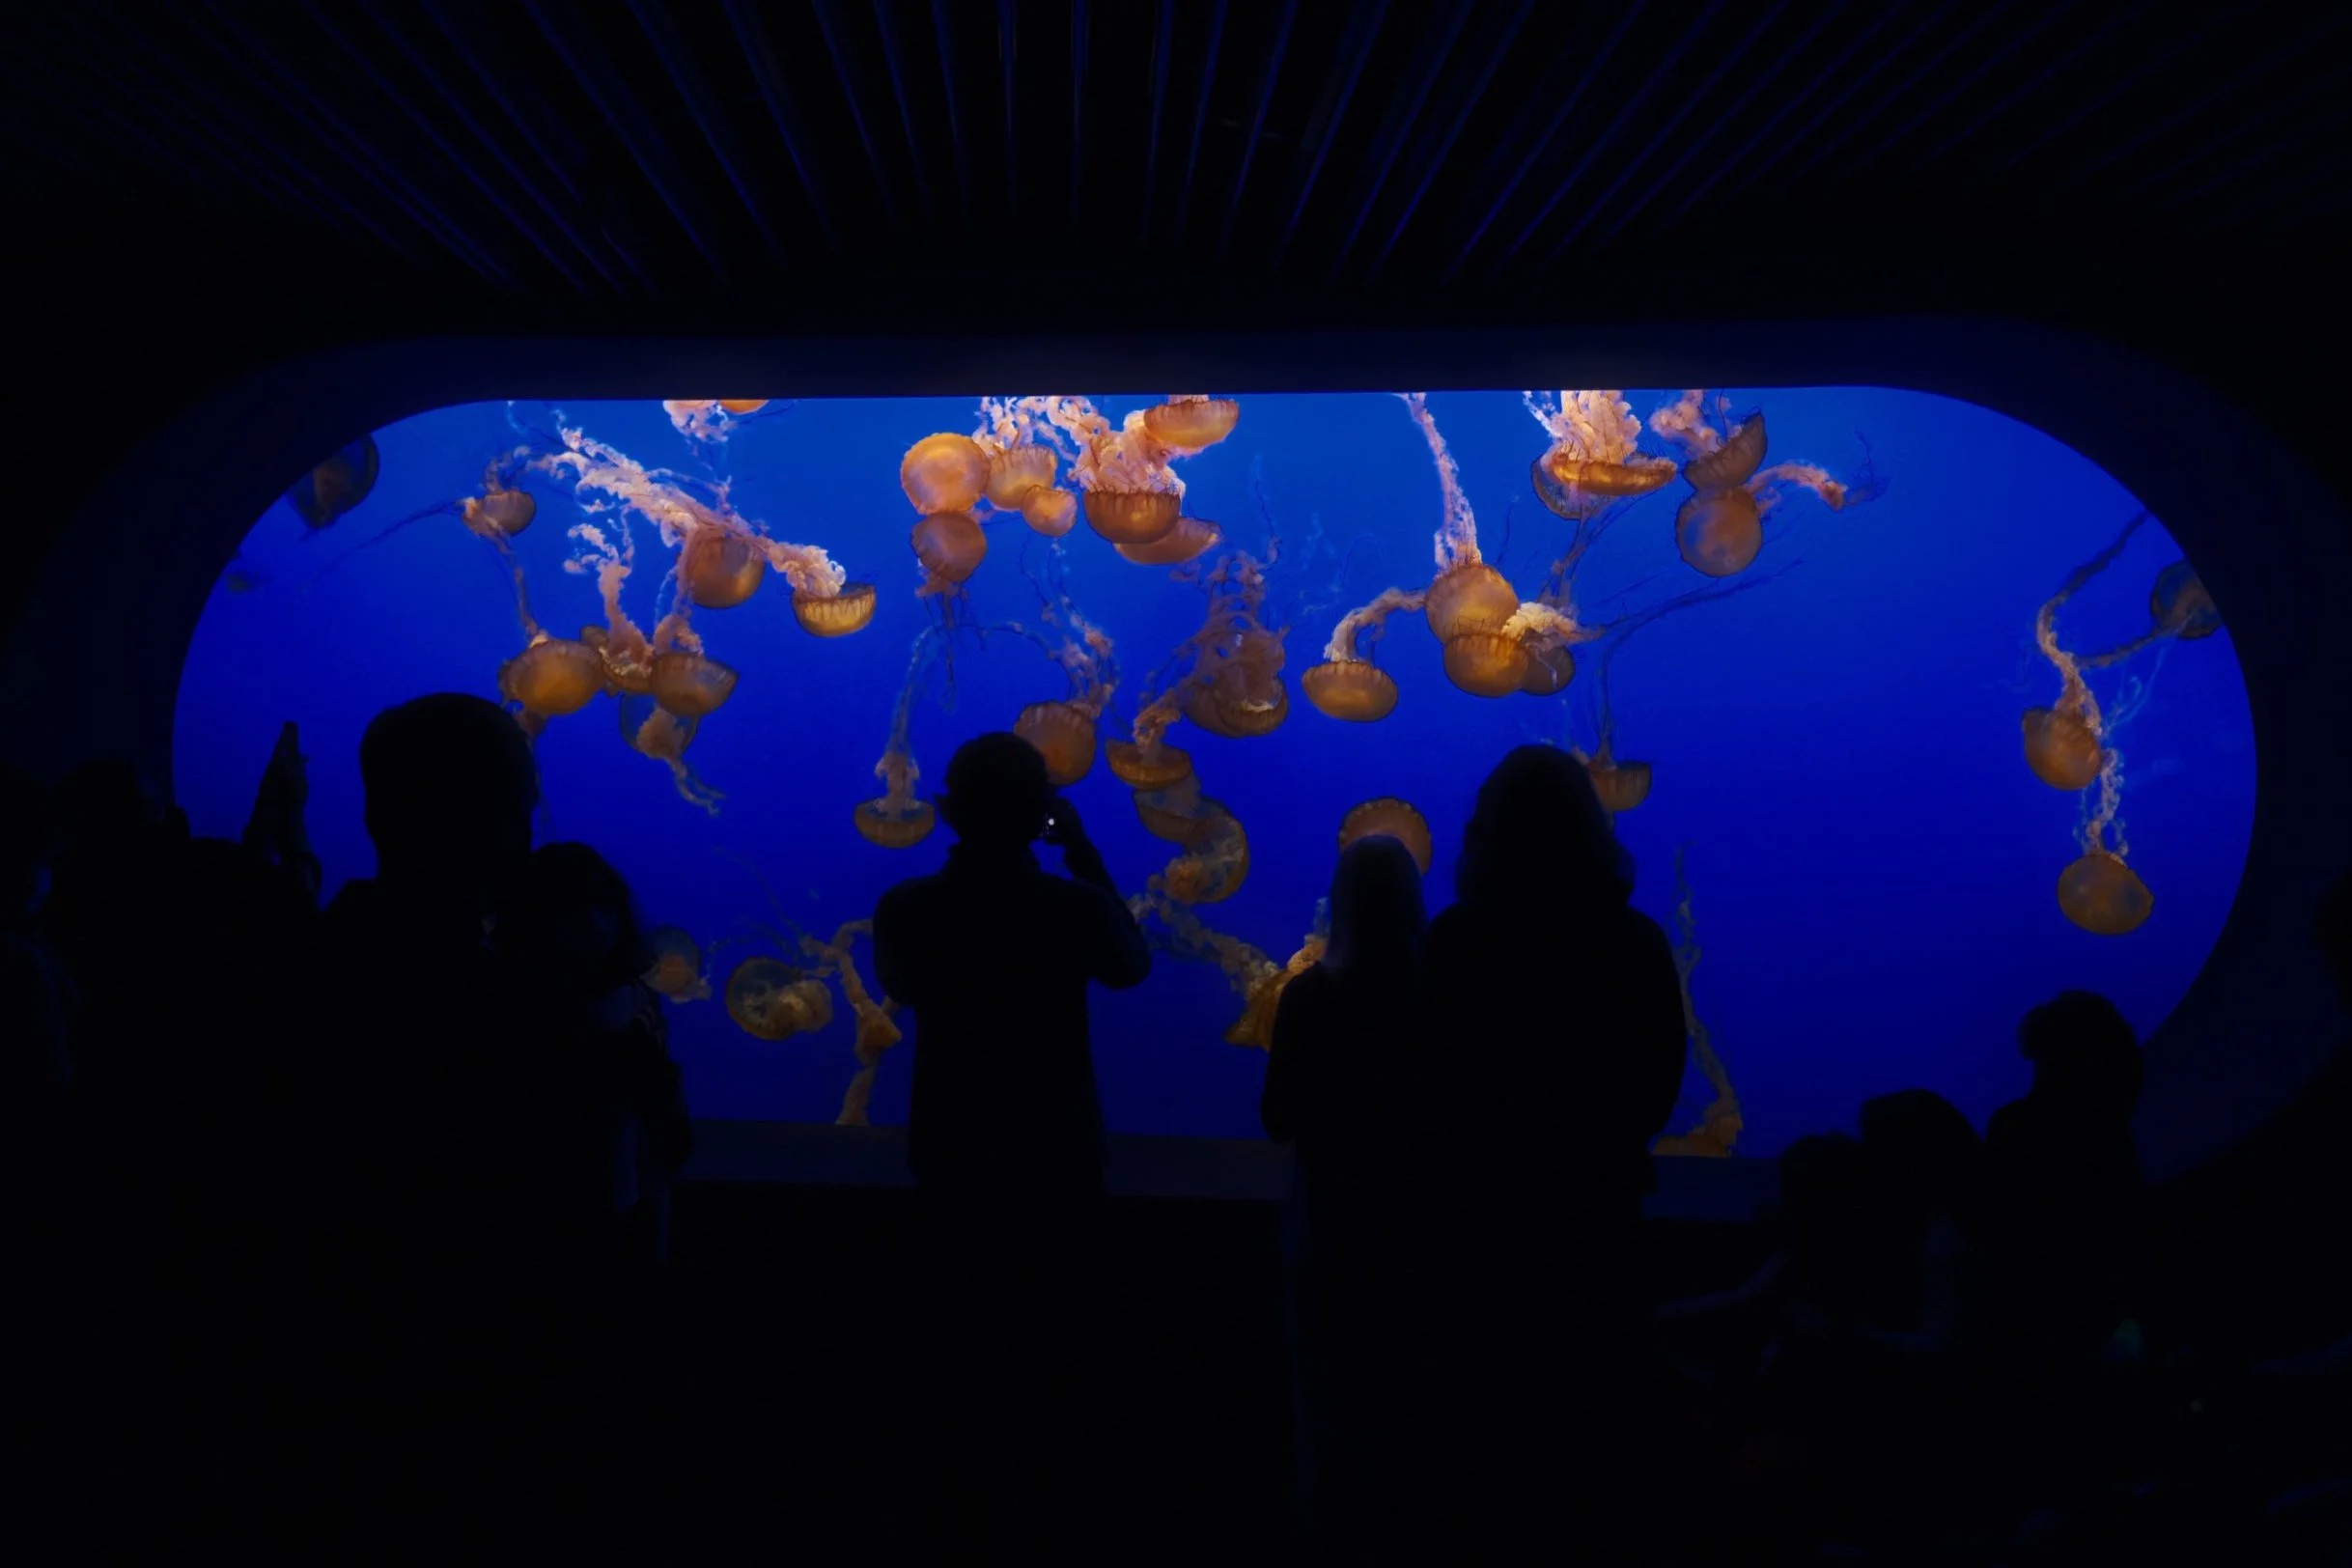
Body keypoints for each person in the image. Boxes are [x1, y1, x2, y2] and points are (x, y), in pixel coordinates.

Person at [280, 693, 632, 1552]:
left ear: (374, 814)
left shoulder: (284, 982)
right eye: (525, 806)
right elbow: (587, 1232)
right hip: (496, 1416)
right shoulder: (528, 1018)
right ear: (508, 825)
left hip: (312, 1409)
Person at [1402, 744, 1688, 1556]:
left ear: (1483, 832)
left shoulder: (1454, 941)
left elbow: (1421, 1081)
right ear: (1591, 826)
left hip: (1476, 1227)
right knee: (1594, 1442)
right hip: (1597, 1216)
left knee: (1480, 1446)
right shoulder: (1634, 941)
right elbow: (1657, 1092)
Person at [870, 731, 1152, 1546]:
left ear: (947, 810)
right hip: (1057, 1155)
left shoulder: (907, 908)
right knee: (1058, 1368)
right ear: (1042, 817)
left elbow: (898, 984)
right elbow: (1131, 966)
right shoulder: (1072, 907)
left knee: (954, 1367)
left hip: (952, 1152)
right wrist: (1083, 855)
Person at [1261, 833, 1427, 1565]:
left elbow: (1277, 1118)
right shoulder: (1443, 998)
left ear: (1342, 903)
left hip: (1329, 1223)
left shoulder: (1309, 997)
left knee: (1326, 1410)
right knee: (1411, 1404)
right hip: (1420, 1226)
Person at [497, 840, 694, 1274]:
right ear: (538, 917)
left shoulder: (639, 998)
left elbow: (666, 1122)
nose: (596, 923)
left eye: (604, 906)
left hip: (638, 1201)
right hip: (548, 1214)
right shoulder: (517, 1009)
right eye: (573, 910)